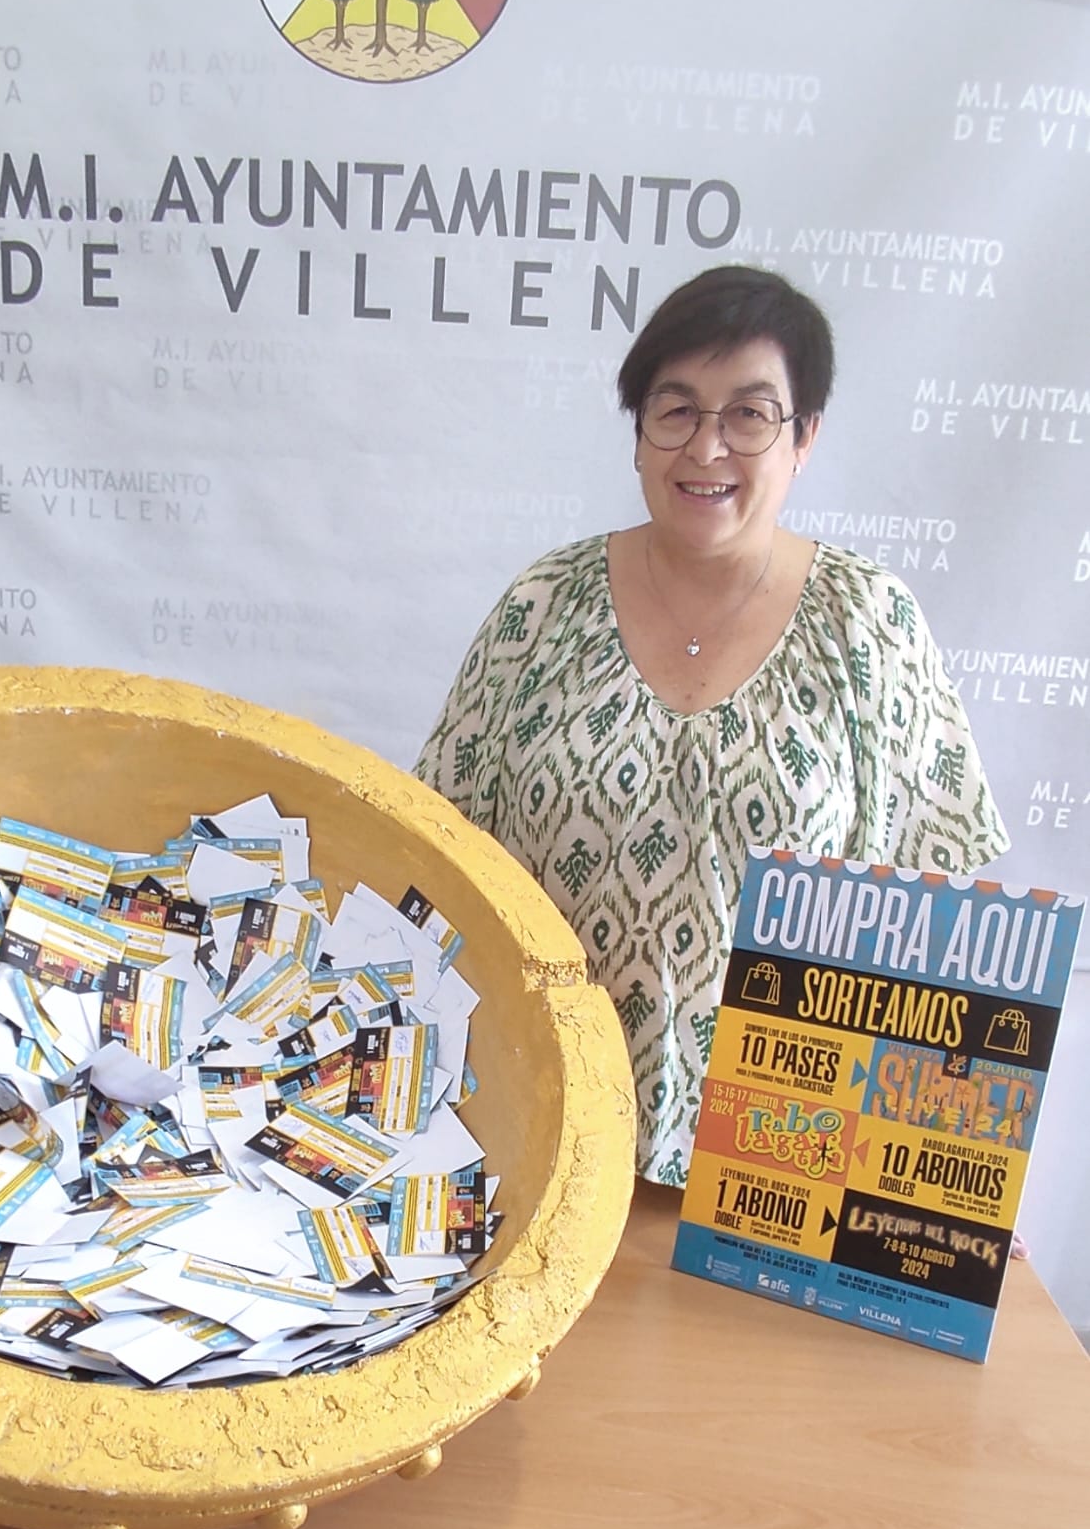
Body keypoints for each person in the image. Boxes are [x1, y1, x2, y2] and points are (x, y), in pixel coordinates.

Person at [415, 265, 1008, 1185]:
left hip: (784, 1171)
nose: (706, 447)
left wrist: (946, 1177)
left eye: (749, 414)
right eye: (676, 409)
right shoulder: (541, 605)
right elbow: (436, 860)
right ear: (638, 432)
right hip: (536, 1138)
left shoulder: (867, 623)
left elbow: (940, 916)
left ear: (803, 437)